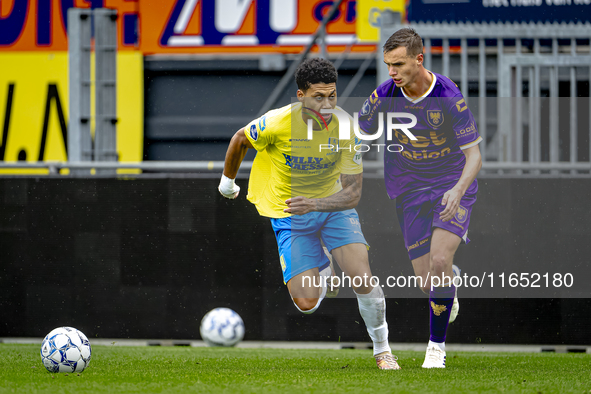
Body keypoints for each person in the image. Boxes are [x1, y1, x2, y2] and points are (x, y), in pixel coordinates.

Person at [218, 58, 400, 370]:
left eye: (332, 95)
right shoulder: (277, 123)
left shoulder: (346, 128)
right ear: (301, 96)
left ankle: (383, 351)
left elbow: (353, 192)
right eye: (319, 96)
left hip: (332, 209)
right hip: (289, 215)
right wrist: (227, 182)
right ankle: (324, 271)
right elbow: (240, 139)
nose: (327, 104)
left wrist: (316, 204)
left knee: (362, 277)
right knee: (305, 304)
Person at [358, 28, 482, 368]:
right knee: (427, 281)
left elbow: (474, 156)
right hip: (409, 190)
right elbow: (359, 136)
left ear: (419, 59)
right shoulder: (383, 95)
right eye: (388, 65)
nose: (392, 72)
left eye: (399, 64)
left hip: (450, 186)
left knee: (440, 262)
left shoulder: (448, 95)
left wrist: (457, 190)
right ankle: (448, 286)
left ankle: (436, 349)